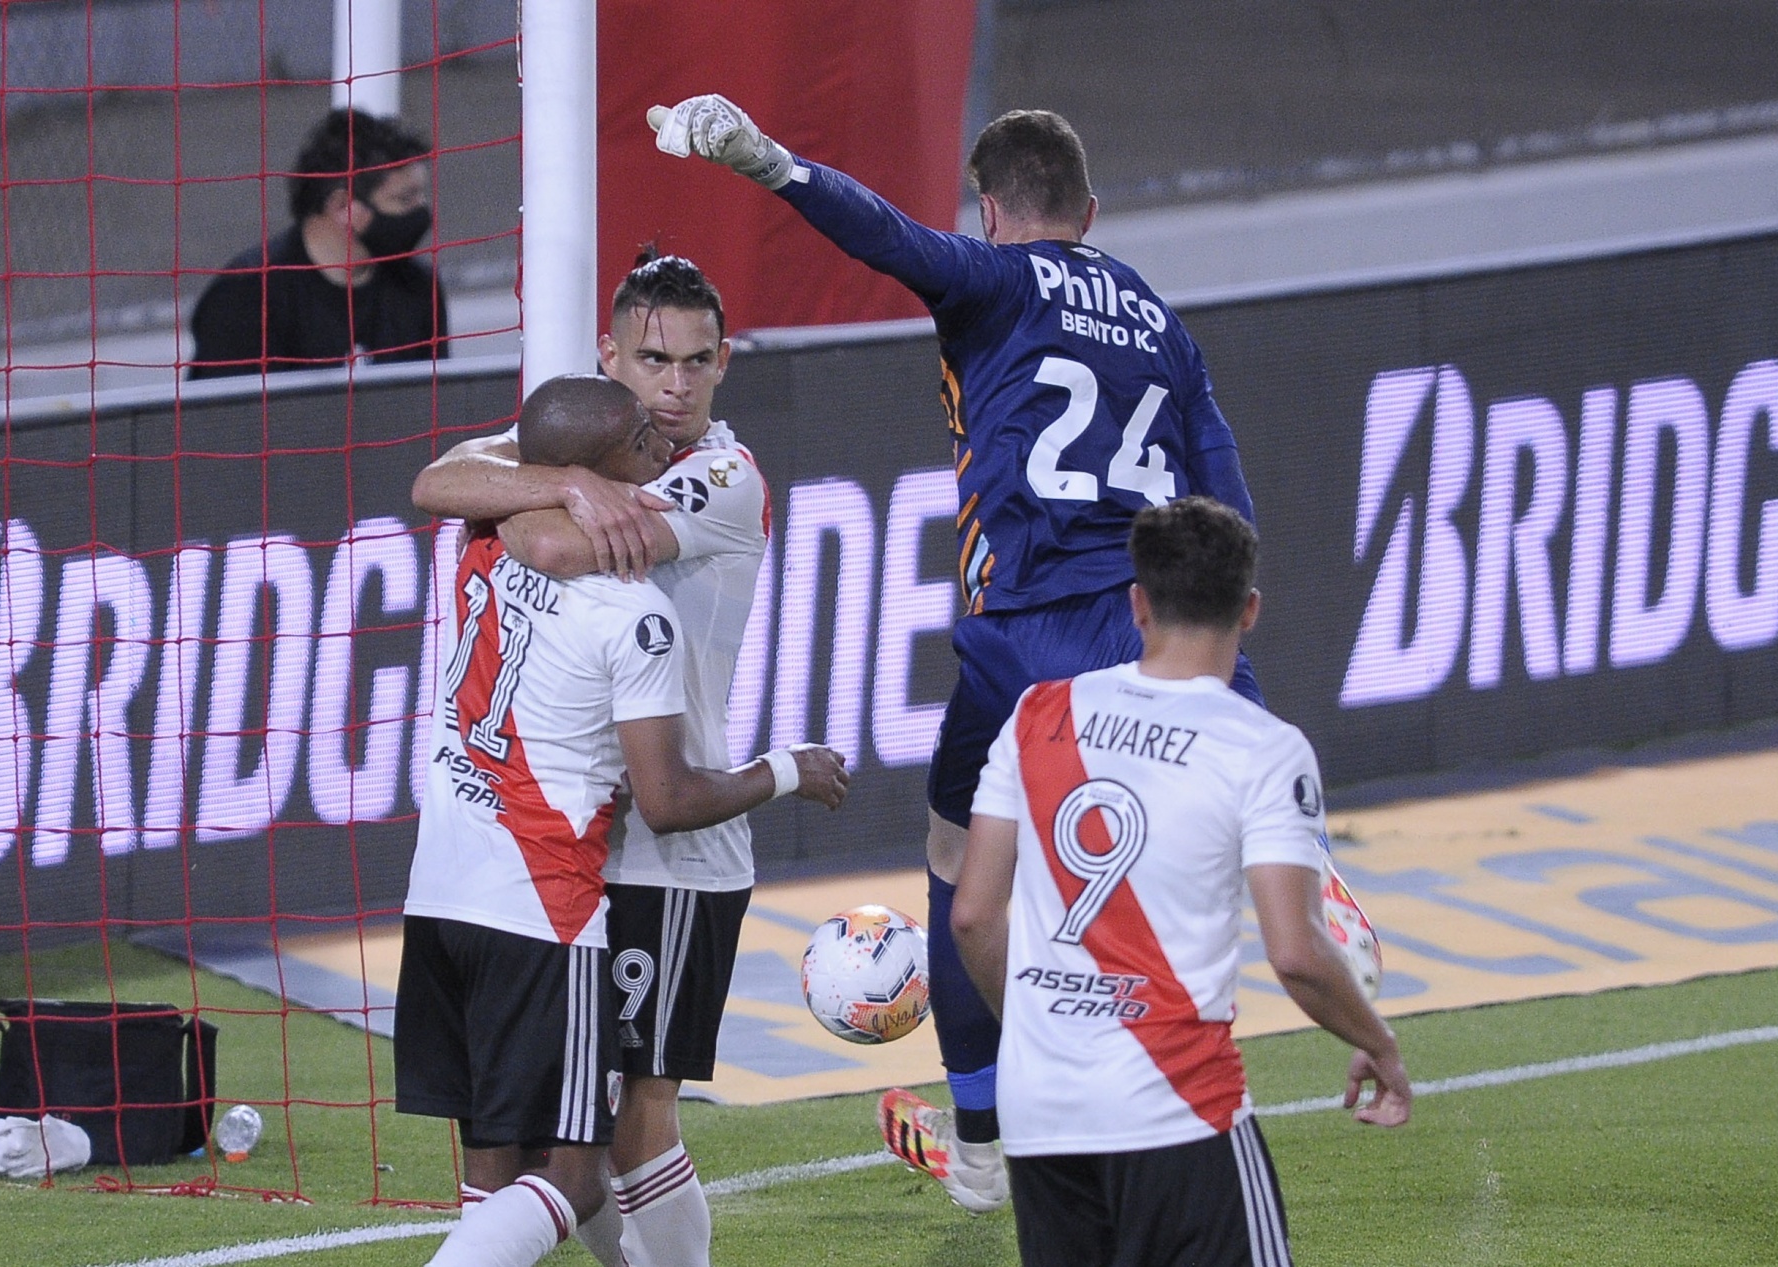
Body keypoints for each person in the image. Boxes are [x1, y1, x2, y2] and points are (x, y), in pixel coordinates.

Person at [648, 94, 1266, 1210]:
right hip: (1151, 623)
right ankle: (1183, 1069)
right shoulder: (1162, 322)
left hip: (1026, 628)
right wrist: (1242, 697)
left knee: (956, 858)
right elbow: (1227, 506)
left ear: (990, 212)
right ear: (1091, 210)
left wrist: (764, 159)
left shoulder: (996, 276)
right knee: (1162, 859)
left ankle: (983, 1140)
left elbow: (881, 232)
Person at [397, 374, 848, 1267]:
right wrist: (788, 769)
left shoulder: (479, 543)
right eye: (641, 435)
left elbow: (456, 486)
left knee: (495, 1161)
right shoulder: (637, 618)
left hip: (438, 887)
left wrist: (557, 483)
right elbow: (670, 799)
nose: (662, 437)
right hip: (544, 907)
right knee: (575, 1173)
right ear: (601, 470)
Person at [949, 496, 1411, 1267]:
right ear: (1251, 609)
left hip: (1041, 1108)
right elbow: (1295, 951)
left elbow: (970, 914)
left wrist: (1041, 1029)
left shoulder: (1040, 713)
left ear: (1138, 601)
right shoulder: (1263, 747)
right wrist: (1378, 1041)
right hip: (1176, 1104)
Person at [188, 108, 447, 378]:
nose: (422, 212)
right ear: (341, 206)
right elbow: (220, 417)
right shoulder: (249, 295)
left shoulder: (418, 287)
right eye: (405, 200)